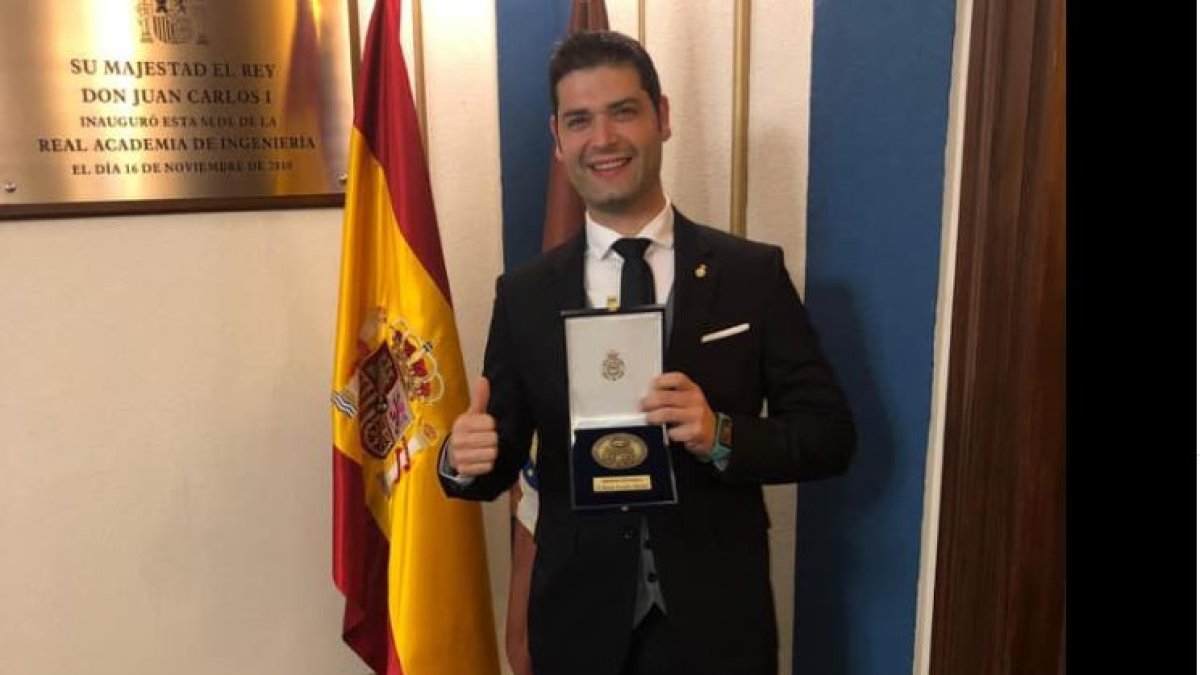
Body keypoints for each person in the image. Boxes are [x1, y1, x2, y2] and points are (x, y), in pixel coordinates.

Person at [439, 30, 855, 675]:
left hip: (719, 626)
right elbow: (498, 458)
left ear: (661, 117)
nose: (602, 139)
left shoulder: (751, 273)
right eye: (579, 121)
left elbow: (831, 436)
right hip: (578, 629)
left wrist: (722, 435)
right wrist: (463, 459)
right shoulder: (523, 295)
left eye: (622, 112)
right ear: (557, 139)